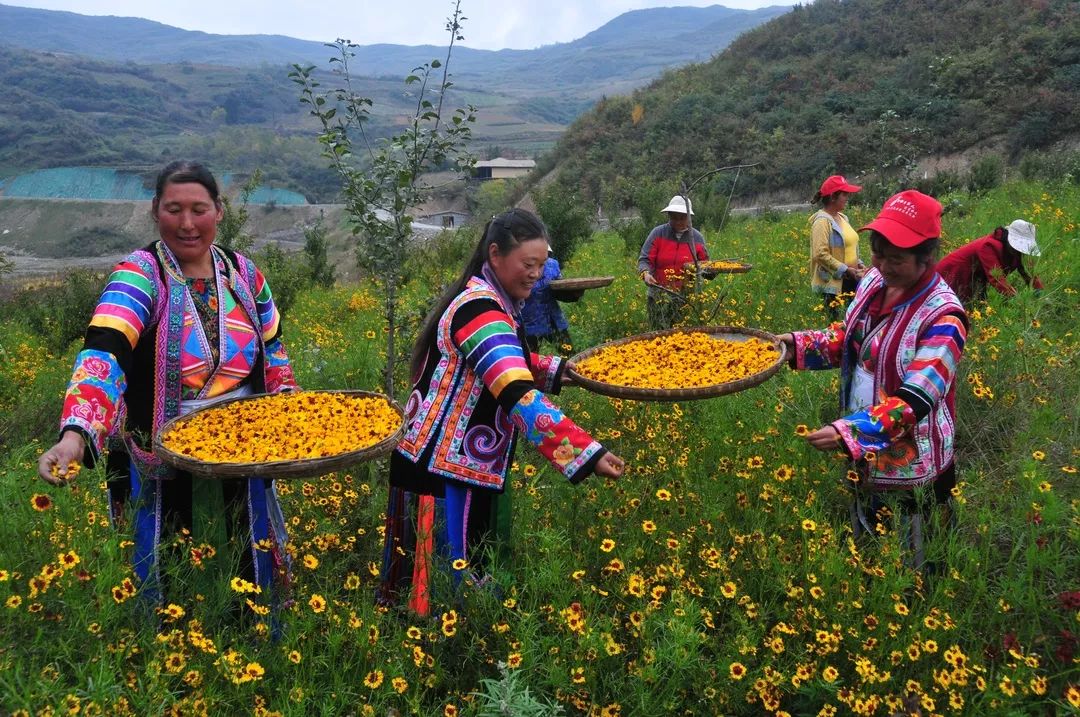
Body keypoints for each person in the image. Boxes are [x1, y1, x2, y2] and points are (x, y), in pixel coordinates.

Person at [37, 160, 298, 604]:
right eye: (174, 209)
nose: (187, 223)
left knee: (246, 563)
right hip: (164, 451)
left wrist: (291, 412)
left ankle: (251, 640)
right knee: (172, 568)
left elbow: (273, 351)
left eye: (199, 209)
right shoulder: (139, 276)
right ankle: (169, 654)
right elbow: (106, 349)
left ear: (219, 210)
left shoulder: (243, 274)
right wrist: (75, 433)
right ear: (156, 210)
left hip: (243, 448)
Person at [380, 208, 625, 615]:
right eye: (528, 264)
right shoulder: (480, 309)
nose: (536, 274)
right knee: (438, 578)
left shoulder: (490, 301)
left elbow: (514, 360)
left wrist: (568, 372)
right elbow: (515, 389)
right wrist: (585, 452)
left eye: (542, 265)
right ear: (495, 255)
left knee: (451, 569)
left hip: (449, 459)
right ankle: (438, 647)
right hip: (439, 468)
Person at [779, 190, 968, 565]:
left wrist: (849, 432)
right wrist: (795, 344)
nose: (882, 264)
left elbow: (916, 399)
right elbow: (851, 339)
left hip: (913, 461)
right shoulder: (873, 284)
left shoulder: (944, 317)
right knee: (868, 538)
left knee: (914, 549)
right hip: (866, 451)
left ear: (926, 257)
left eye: (896, 258)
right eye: (878, 253)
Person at [638, 195, 709, 329]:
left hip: (685, 297)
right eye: (673, 217)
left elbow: (705, 266)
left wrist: (710, 271)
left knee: (681, 335)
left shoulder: (697, 238)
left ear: (689, 217)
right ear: (668, 216)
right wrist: (645, 273)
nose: (678, 221)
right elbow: (644, 259)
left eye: (682, 217)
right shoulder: (658, 233)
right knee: (656, 333)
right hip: (658, 294)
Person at [936, 219, 1043, 302]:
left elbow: (1028, 271)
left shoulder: (1017, 252)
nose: (1020, 251)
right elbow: (996, 278)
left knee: (976, 305)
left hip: (975, 278)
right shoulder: (989, 246)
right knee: (952, 306)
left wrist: (1039, 291)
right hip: (953, 273)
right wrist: (1018, 300)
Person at [809, 175, 866, 319]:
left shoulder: (843, 218)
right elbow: (820, 254)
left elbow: (850, 247)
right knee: (836, 326)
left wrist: (860, 265)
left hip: (852, 279)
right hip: (834, 284)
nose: (847, 198)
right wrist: (846, 269)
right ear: (833, 197)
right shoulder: (822, 222)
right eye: (844, 194)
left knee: (853, 322)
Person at [521, 248, 571, 352]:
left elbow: (559, 288)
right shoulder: (522, 266)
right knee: (530, 360)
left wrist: (572, 293)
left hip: (554, 320)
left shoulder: (553, 264)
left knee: (568, 352)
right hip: (530, 323)